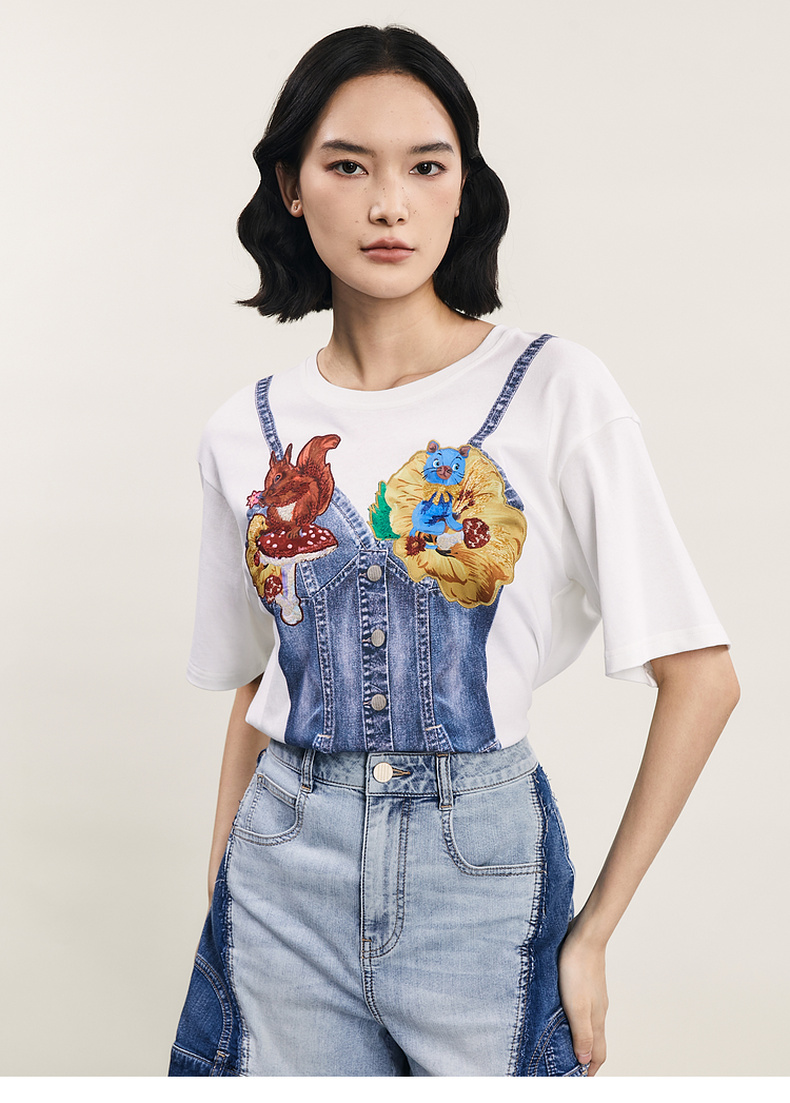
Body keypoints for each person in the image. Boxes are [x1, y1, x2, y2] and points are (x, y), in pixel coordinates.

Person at [168, 25, 739, 1078]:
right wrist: (221, 887)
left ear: (462, 186)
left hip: (479, 870)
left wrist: (594, 932)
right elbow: (259, 682)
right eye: (349, 166)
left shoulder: (555, 388)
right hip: (280, 870)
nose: (389, 204)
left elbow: (702, 676)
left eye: (426, 167)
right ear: (292, 187)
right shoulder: (244, 429)